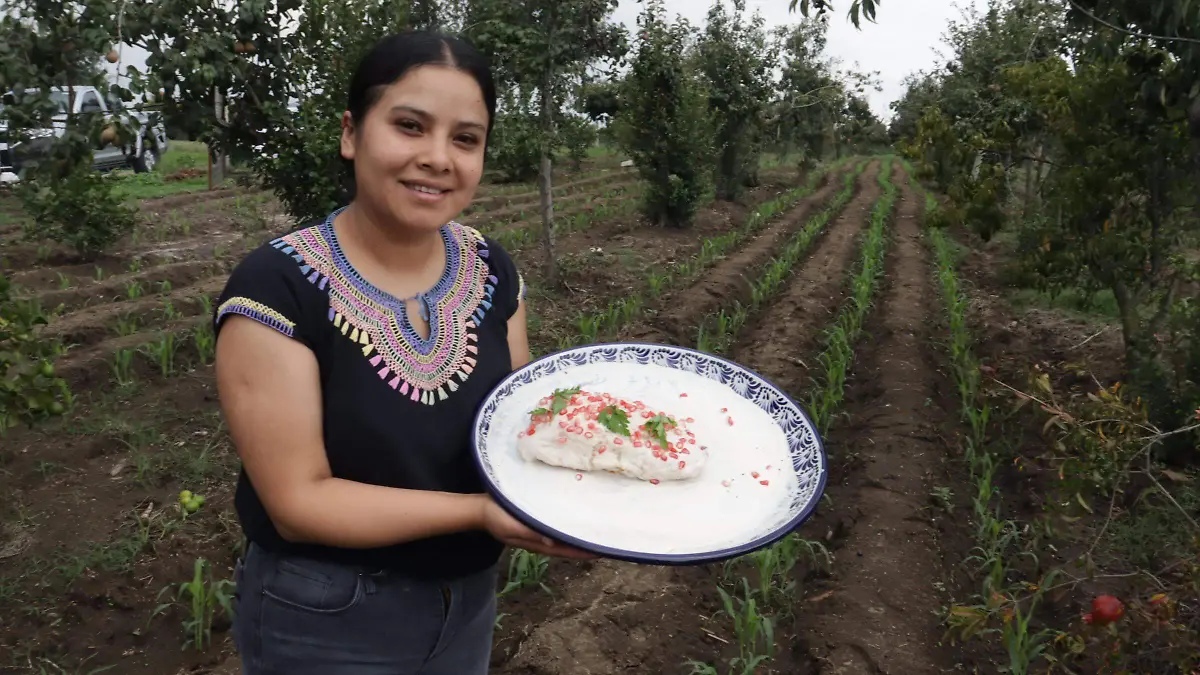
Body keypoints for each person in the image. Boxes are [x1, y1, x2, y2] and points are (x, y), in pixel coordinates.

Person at [212, 30, 593, 675]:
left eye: (466, 139)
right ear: (352, 134)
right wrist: (478, 512)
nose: (438, 157)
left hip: (468, 601)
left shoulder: (491, 270)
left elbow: (516, 423)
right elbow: (298, 503)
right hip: (326, 616)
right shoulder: (276, 290)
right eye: (410, 126)